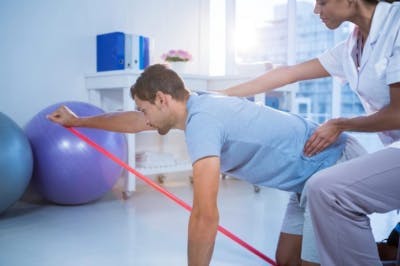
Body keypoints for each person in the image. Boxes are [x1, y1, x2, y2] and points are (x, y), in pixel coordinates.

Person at [48, 64, 365, 266]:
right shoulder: (195, 104)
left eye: (145, 108)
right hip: (304, 181)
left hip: (331, 169)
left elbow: (205, 213)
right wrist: (80, 122)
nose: (143, 117)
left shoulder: (202, 123)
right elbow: (133, 121)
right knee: (286, 261)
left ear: (162, 99)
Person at [220, 0, 400, 265]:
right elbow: (290, 73)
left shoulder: (396, 24)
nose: (317, 10)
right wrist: (222, 95)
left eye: (322, 2)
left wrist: (341, 124)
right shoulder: (352, 48)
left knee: (327, 188)